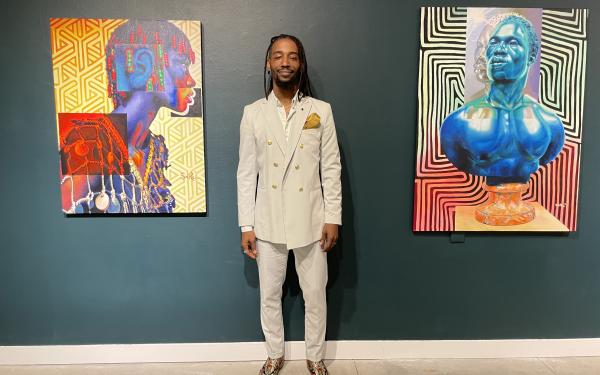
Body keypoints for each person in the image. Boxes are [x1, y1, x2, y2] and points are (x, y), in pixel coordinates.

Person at [237, 34, 342, 375]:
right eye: (278, 56)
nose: (285, 62)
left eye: (292, 57)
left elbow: (331, 167)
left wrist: (333, 218)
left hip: (311, 219)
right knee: (269, 295)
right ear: (269, 63)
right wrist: (246, 225)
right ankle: (274, 353)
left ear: (300, 63)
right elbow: (245, 174)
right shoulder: (253, 113)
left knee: (315, 295)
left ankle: (315, 356)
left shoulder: (320, 111)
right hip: (267, 221)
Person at [60, 20, 197, 213]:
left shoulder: (156, 149)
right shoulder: (91, 139)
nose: (191, 80)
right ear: (144, 64)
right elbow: (64, 212)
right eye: (182, 64)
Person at [440, 15, 565, 186]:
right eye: (494, 43)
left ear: (531, 56)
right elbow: (459, 160)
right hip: (490, 205)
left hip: (520, 207)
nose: (499, 49)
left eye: (513, 43)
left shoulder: (550, 124)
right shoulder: (457, 123)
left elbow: (548, 156)